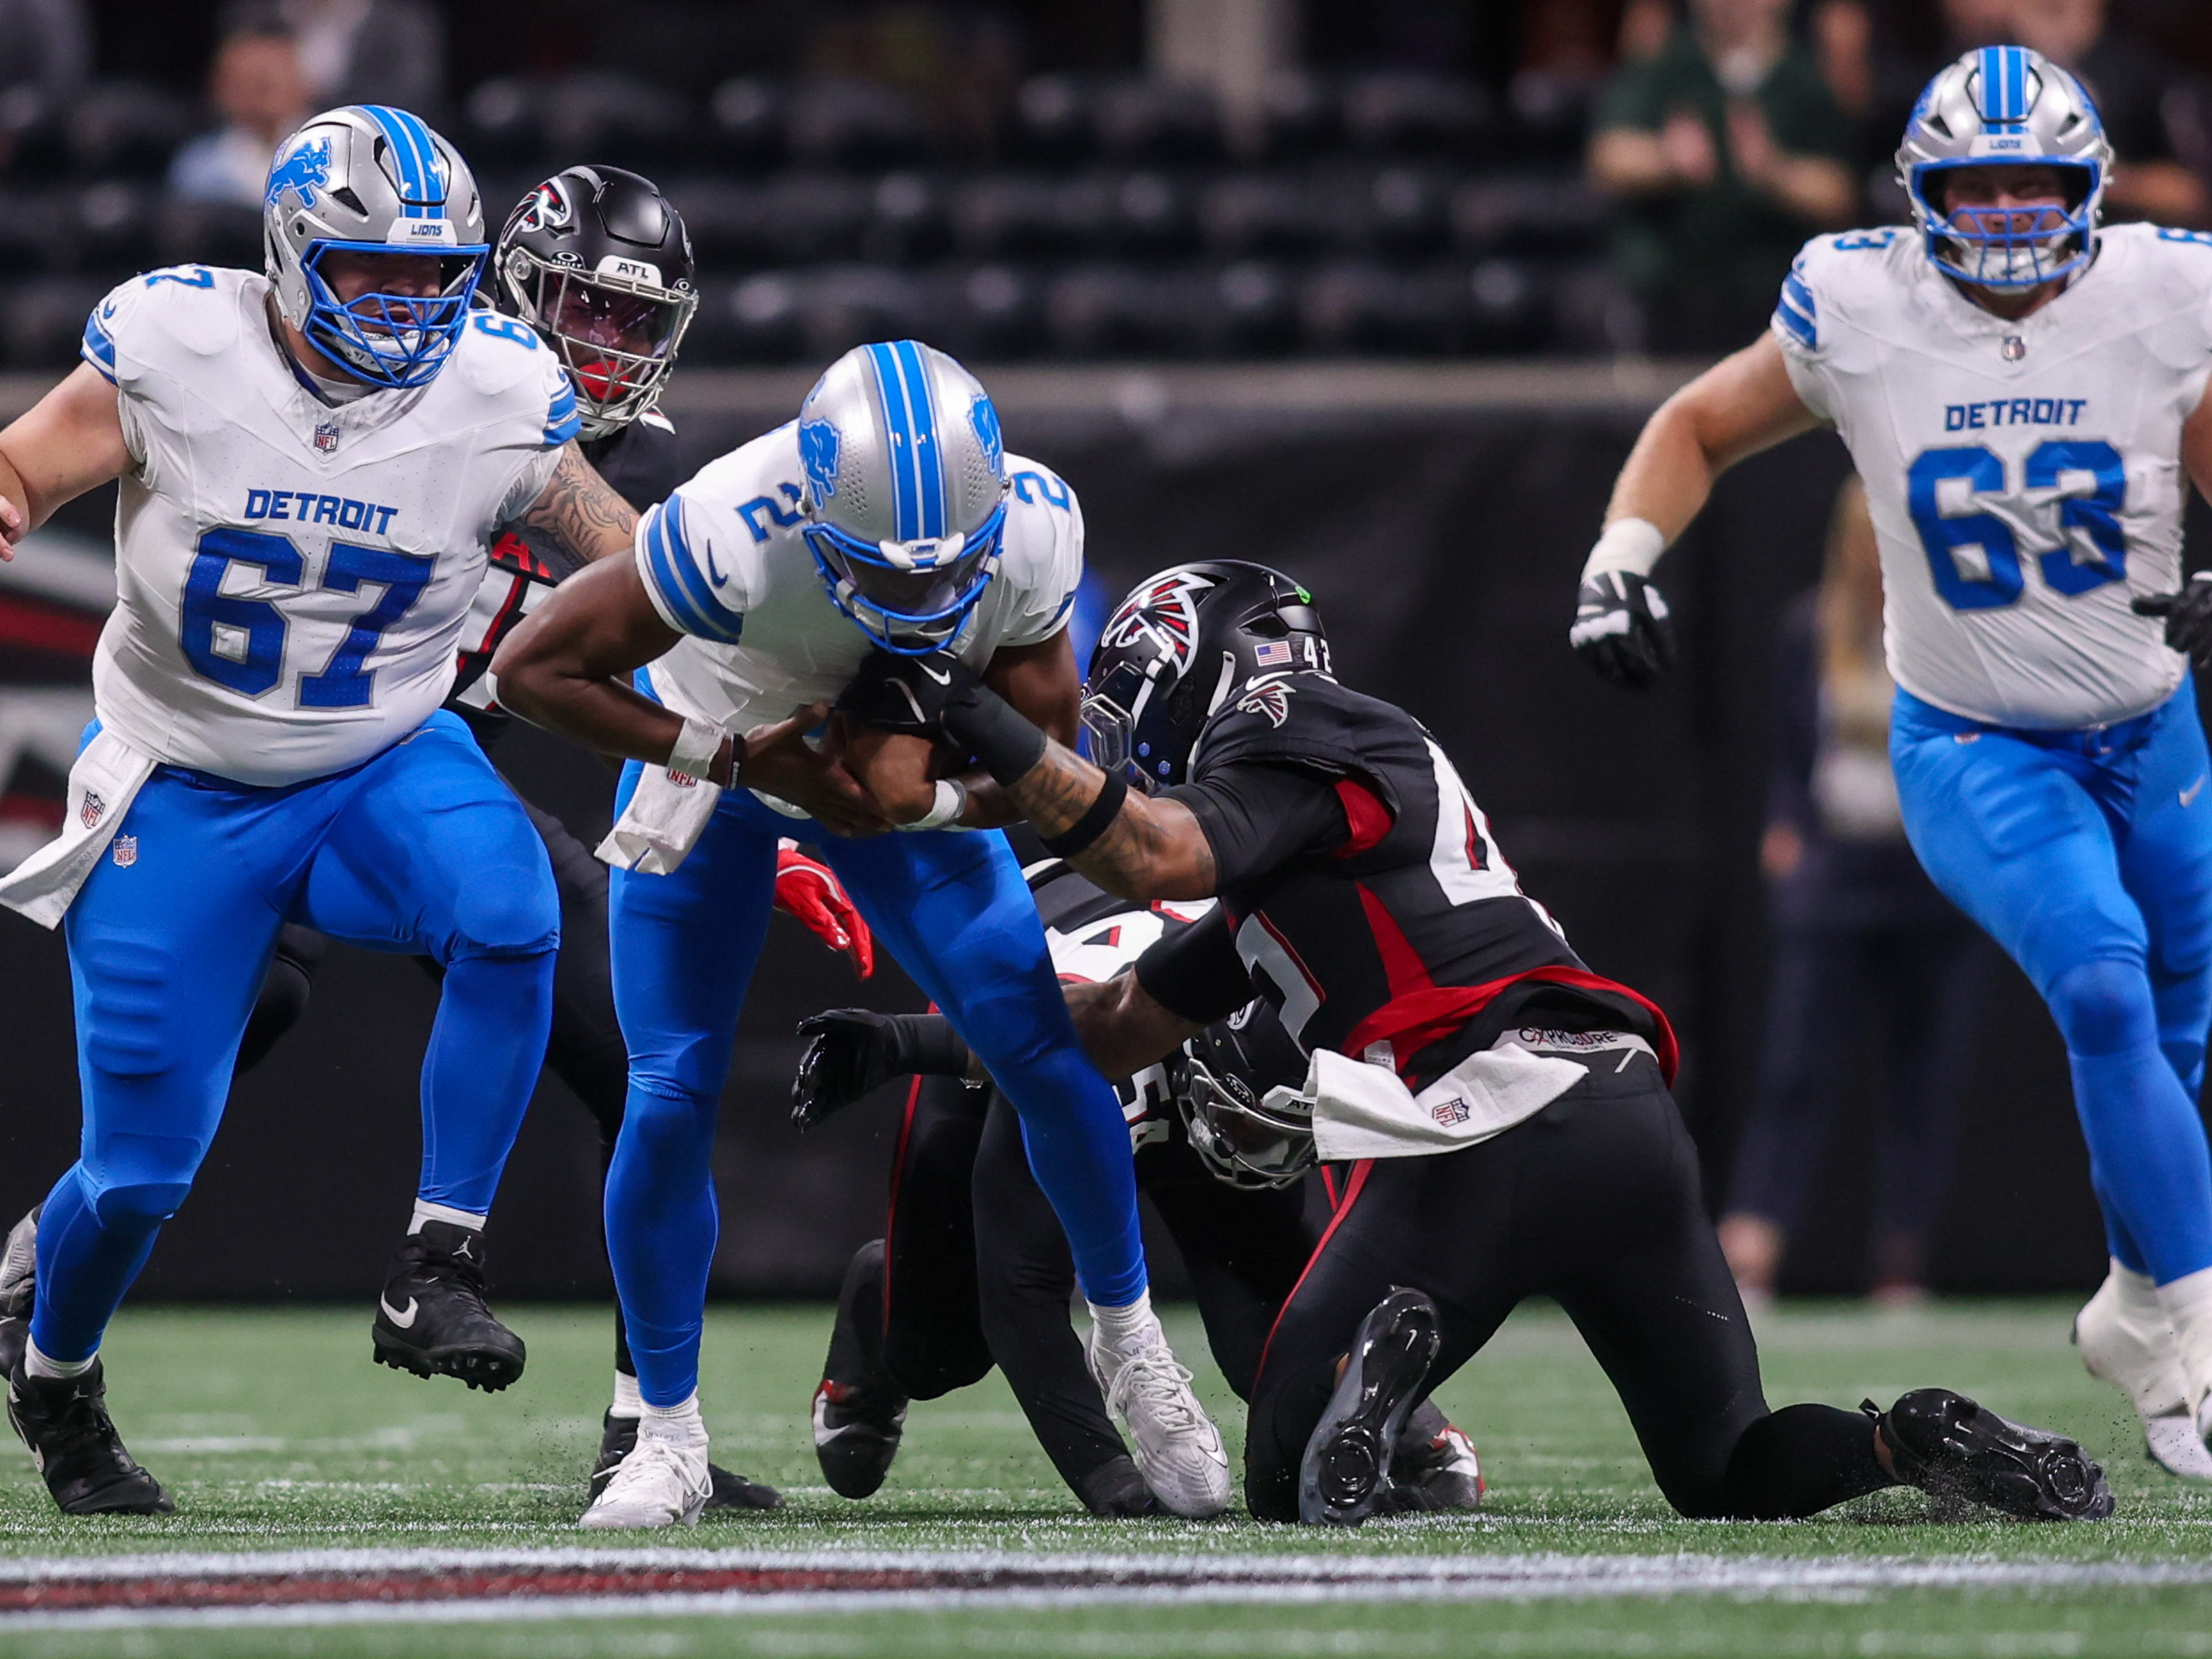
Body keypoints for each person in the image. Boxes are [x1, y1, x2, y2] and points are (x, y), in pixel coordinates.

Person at [825, 558, 2113, 1527]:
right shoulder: (1285, 865)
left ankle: (1390, 1366)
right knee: (1726, 1466)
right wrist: (911, 1034)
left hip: (1481, 1122)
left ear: (1185, 665)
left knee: (1280, 1476)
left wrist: (975, 716)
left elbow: (1152, 848)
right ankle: (1907, 1444)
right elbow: (1105, 1028)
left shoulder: (1297, 727)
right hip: (1623, 1120)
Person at [0, 164, 872, 1514]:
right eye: (581, 310)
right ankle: (49, 1287)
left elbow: (670, 637)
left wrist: (772, 796)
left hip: (401, 767)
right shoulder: (202, 355)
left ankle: (625, 1400)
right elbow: (35, 458)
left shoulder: (545, 435)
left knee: (596, 999)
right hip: (201, 768)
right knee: (168, 1126)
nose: (605, 350)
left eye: (637, 325)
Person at [1568, 45, 2212, 1476]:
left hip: (2151, 723)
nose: (1994, 210)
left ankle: (2129, 1305)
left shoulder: (2167, 290)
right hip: (1975, 736)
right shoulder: (1861, 301)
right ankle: (2199, 1339)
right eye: (1966, 183)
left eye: (2024, 183)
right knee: (2100, 982)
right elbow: (1697, 422)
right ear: (1916, 193)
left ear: (2084, 191)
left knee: (2165, 1042)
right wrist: (1622, 552)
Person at [490, 341, 1229, 1528]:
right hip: (721, 746)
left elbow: (1048, 768)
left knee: (1040, 1045)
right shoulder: (728, 528)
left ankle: (1135, 1346)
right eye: (886, 576)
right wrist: (728, 758)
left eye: (948, 580)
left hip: (893, 795)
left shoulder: (1033, 525)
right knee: (669, 1084)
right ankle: (665, 1438)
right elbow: (535, 671)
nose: (921, 605)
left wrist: (922, 800)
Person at [789, 831, 1484, 1518]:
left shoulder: (1266, 1021)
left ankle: (1413, 1429)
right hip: (1003, 1043)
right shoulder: (1092, 1065)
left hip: (1154, 1047)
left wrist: (1416, 1432)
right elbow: (1022, 1297)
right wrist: (1109, 1478)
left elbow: (1294, 1300)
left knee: (1264, 1338)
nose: (1265, 1152)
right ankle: (879, 1299)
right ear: (1198, 1082)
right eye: (1250, 1128)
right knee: (941, 1352)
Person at [1717, 478, 1991, 1308]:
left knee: (1924, 1076)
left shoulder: (1957, 635)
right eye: (1865, 532)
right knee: (1797, 1069)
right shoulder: (1808, 627)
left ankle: (1901, 1260)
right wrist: (1787, 827)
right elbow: (1791, 757)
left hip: (1933, 880)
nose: (1878, 546)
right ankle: (1755, 1244)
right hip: (1836, 879)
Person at [1588, 0, 1858, 353]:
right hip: (1671, 296)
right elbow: (1607, 156)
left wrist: (1776, 172)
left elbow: (1840, 192)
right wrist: (1666, 158)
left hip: (1775, 304)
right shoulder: (1666, 65)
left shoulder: (1807, 81)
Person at [168, 24, 312, 210]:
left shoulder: (336, 156)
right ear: (219, 88)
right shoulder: (199, 166)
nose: (260, 92)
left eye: (271, 78)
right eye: (247, 79)